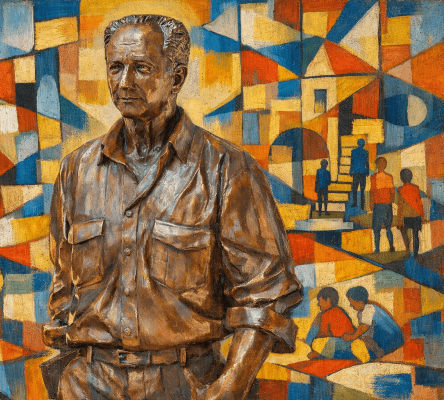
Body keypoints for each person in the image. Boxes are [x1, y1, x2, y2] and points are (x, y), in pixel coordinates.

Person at [43, 14, 303, 400]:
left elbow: (267, 295)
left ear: (176, 78)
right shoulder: (76, 170)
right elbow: (63, 286)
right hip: (88, 384)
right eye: (115, 67)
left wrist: (230, 387)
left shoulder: (227, 169)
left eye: (141, 68)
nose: (124, 82)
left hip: (185, 385)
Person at [343, 287, 404, 363]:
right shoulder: (363, 310)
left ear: (360, 302)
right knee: (362, 340)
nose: (350, 305)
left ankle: (377, 354)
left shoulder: (368, 309)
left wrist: (352, 336)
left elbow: (364, 327)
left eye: (351, 301)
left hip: (392, 340)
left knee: (357, 345)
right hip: (391, 338)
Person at [306, 287, 355, 360]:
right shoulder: (340, 310)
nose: (318, 304)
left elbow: (323, 333)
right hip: (350, 343)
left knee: (317, 342)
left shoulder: (325, 314)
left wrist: (313, 344)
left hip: (341, 343)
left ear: (328, 300)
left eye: (319, 301)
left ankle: (320, 355)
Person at [370, 157, 395, 253]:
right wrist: (390, 200)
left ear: (377, 165)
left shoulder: (373, 177)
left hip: (378, 205)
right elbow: (392, 193)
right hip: (387, 205)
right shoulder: (389, 176)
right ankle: (391, 247)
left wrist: (371, 202)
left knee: (377, 229)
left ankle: (377, 249)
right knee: (388, 227)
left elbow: (372, 191)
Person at [397, 169, 424, 256]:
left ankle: (408, 250)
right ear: (411, 177)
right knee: (416, 235)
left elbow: (400, 206)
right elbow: (419, 203)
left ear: (401, 178)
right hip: (416, 215)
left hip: (406, 216)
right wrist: (422, 215)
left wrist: (399, 221)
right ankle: (416, 253)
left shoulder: (401, 190)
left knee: (404, 232)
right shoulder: (416, 188)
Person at [350, 138, 369, 209]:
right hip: (363, 172)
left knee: (354, 189)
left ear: (358, 144)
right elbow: (367, 163)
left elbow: (352, 162)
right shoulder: (366, 152)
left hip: (356, 172)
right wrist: (367, 171)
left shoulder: (353, 151)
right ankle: (362, 205)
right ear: (363, 144)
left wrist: (350, 171)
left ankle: (355, 203)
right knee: (362, 189)